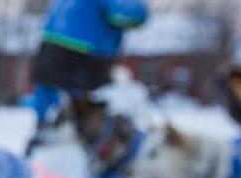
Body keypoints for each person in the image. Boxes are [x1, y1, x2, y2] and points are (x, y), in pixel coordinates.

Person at [25, 0, 149, 153]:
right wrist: (139, 14)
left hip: (53, 39)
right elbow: (129, 13)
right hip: (87, 48)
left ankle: (43, 138)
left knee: (48, 97)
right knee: (85, 107)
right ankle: (81, 146)